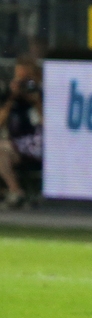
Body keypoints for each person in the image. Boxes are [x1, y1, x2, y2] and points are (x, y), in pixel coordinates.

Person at [0, 57, 42, 210]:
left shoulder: (41, 94)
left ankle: (16, 192)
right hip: (16, 145)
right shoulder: (11, 97)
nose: (24, 85)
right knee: (1, 152)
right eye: (19, 79)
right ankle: (15, 191)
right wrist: (11, 99)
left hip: (37, 143)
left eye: (26, 80)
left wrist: (35, 101)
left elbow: (46, 123)